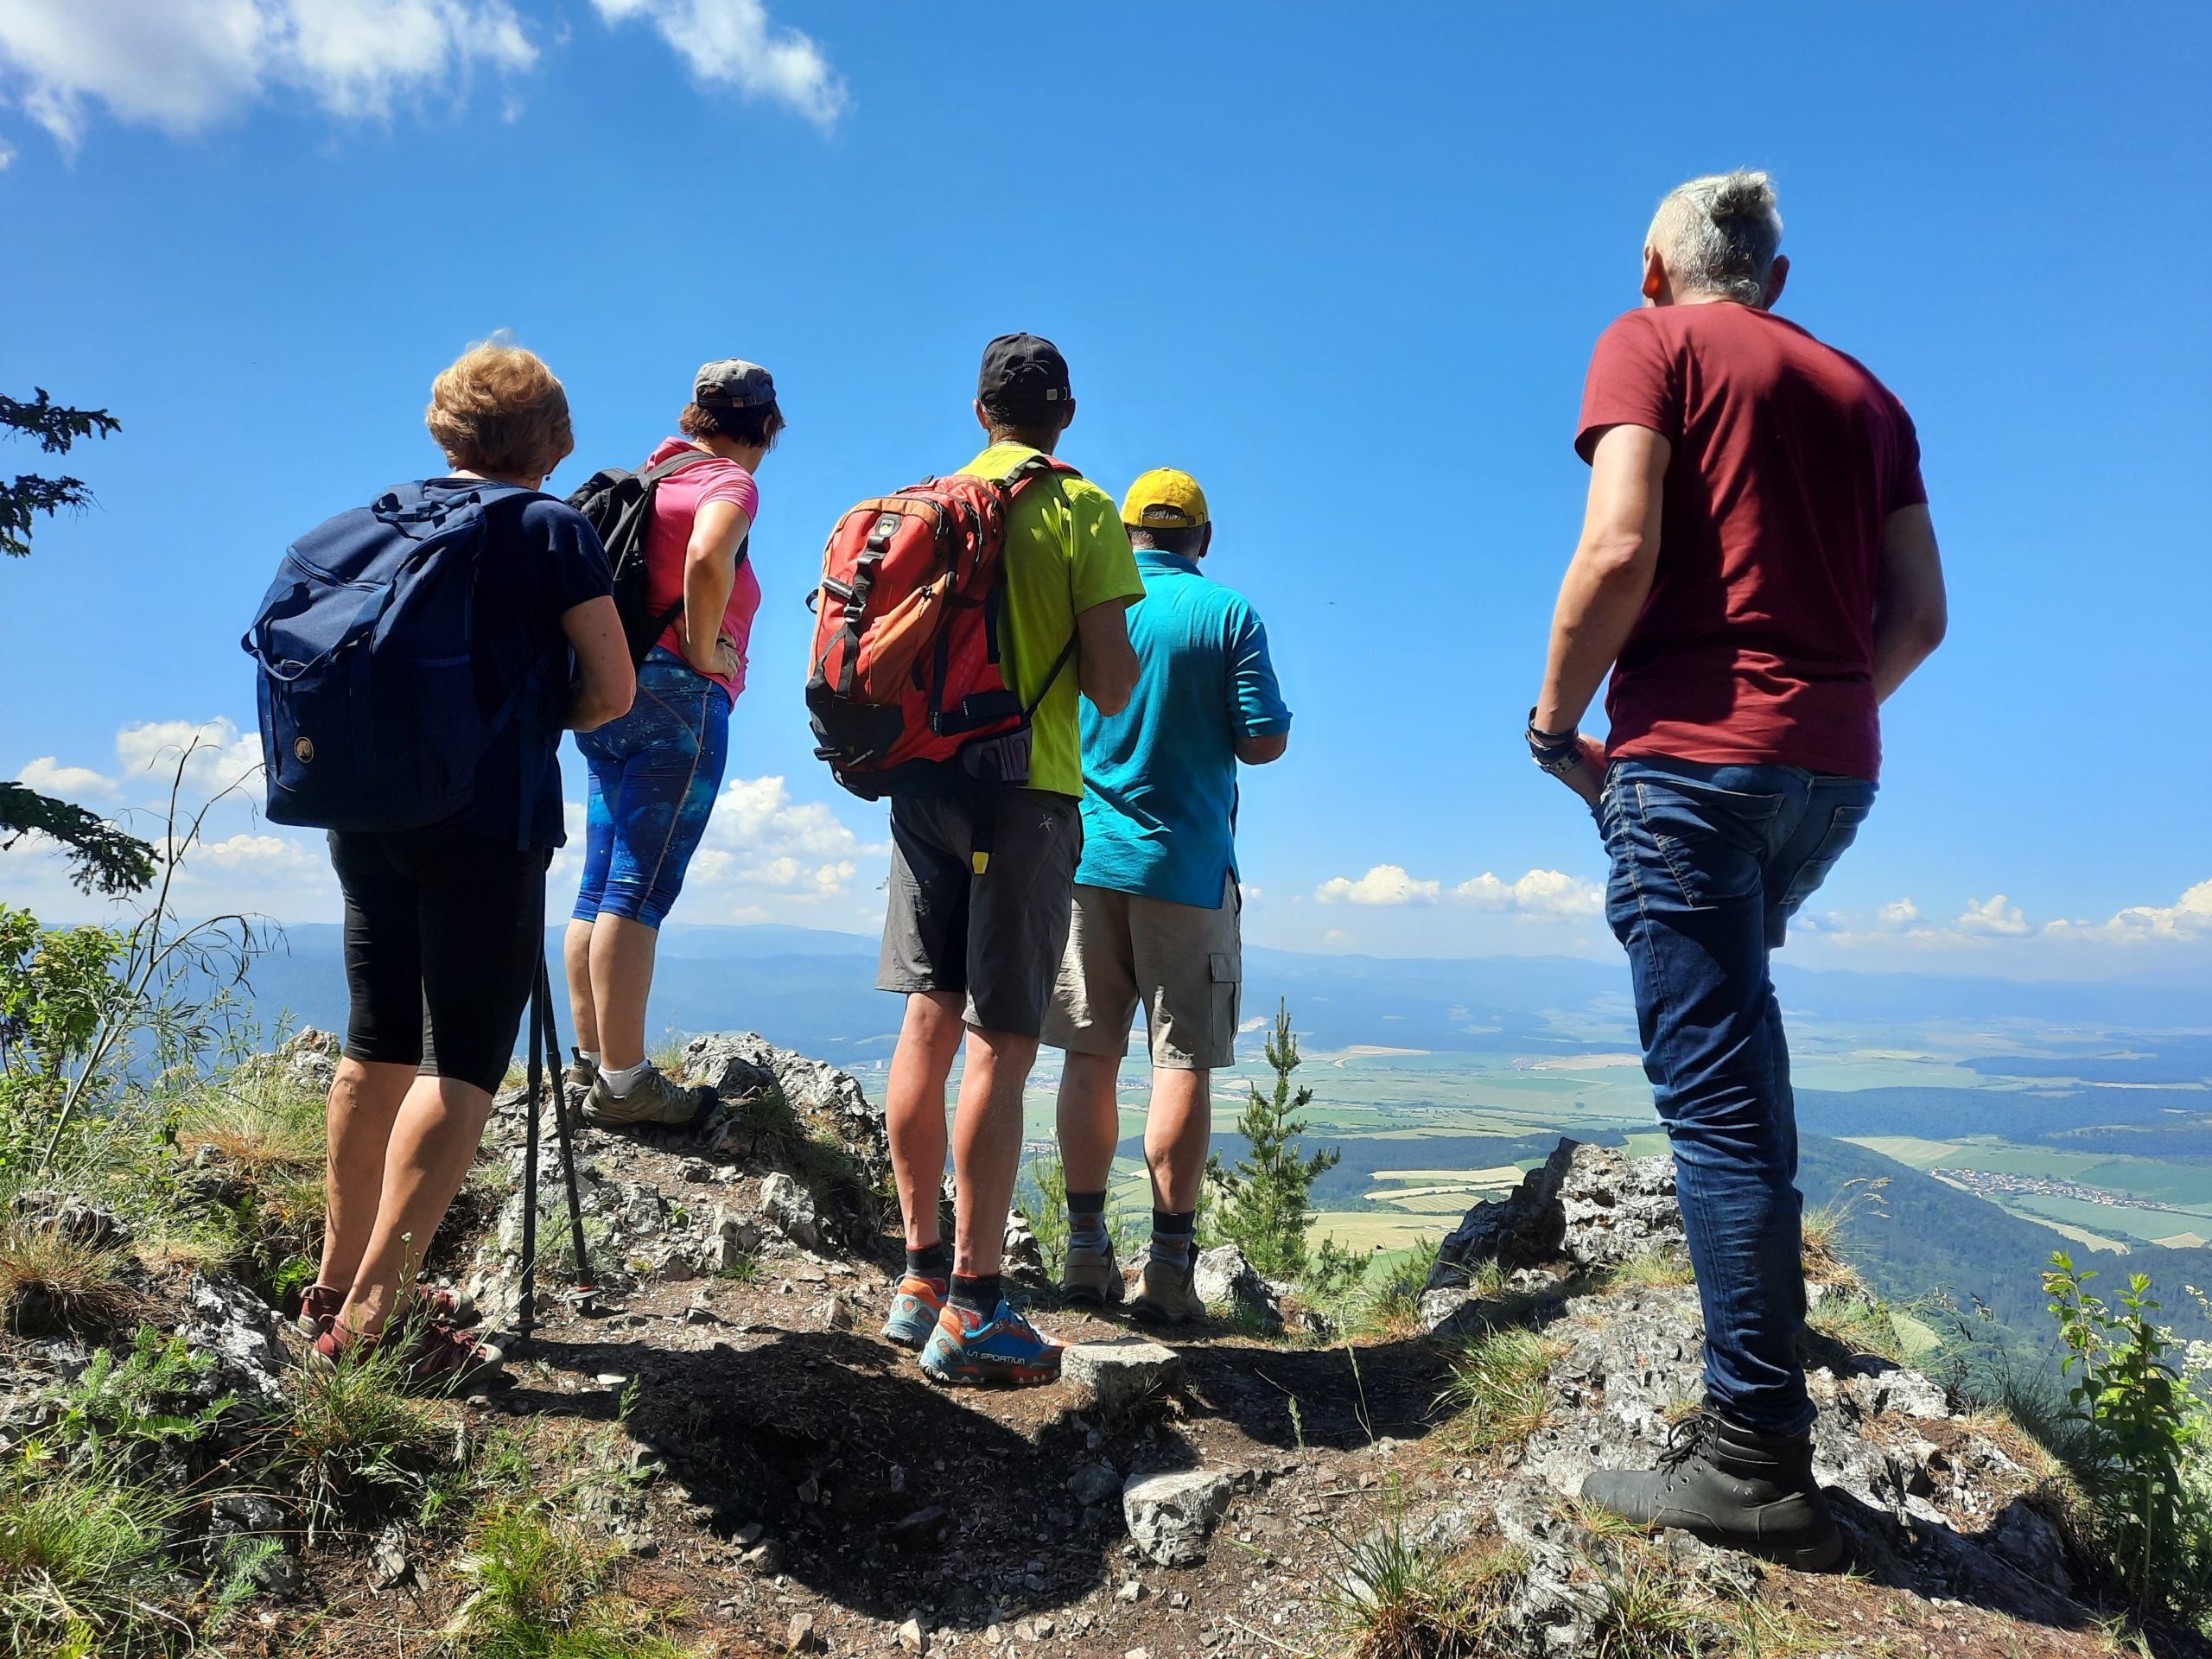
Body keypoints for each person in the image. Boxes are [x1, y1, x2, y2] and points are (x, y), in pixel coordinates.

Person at [1529, 172, 1948, 1566]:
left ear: (1657, 268)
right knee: (1740, 1062)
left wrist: (1555, 723)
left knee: (1715, 1109)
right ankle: (1762, 1366)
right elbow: (1921, 617)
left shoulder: (1649, 341)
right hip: (1832, 775)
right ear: (1777, 272)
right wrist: (1816, 712)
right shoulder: (1867, 395)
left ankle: (1756, 1458)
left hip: (1695, 764)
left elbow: (1621, 545)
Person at [302, 340, 635, 1382]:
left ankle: (334, 1283)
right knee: (462, 1062)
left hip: (364, 812)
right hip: (487, 823)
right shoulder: (549, 527)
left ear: (445, 429)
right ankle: (375, 1324)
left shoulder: (373, 522)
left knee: (377, 1041)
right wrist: (531, 720)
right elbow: (612, 688)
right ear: (552, 441)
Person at [877, 334, 1143, 1386]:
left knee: (927, 1017)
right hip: (1025, 792)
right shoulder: (1080, 508)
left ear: (980, 412)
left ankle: (917, 1281)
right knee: (1002, 1037)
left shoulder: (930, 505)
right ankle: (979, 1304)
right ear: (1064, 415)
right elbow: (1112, 685)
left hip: (920, 785)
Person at [1044, 468, 1291, 1323]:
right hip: (1186, 870)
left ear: (1124, 536)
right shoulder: (1226, 613)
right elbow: (1262, 741)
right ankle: (1171, 1271)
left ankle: (1084, 1255)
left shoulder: (1092, 608)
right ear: (1204, 539)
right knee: (1181, 1061)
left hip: (1081, 862)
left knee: (1088, 1057)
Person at [563, 360, 785, 1128]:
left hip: (607, 695)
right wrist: (700, 646)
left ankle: (593, 1061)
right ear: (764, 427)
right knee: (639, 891)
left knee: (598, 886)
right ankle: (626, 1085)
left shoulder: (648, 479)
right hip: (678, 704)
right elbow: (706, 555)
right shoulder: (729, 482)